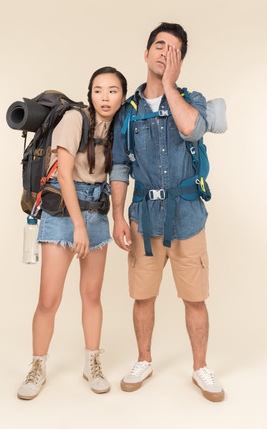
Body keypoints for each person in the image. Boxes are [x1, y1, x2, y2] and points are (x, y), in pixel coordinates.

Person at [110, 23, 226, 402]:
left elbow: (192, 130)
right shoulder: (127, 113)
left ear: (180, 60)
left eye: (173, 49)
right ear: (146, 54)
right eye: (159, 45)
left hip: (188, 218)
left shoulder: (192, 98)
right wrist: (117, 216)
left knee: (195, 298)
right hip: (143, 219)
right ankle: (144, 359)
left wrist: (171, 86)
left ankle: (200, 368)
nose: (164, 52)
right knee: (142, 297)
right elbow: (120, 168)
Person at [17, 66, 127, 400]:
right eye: (98, 90)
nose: (105, 97)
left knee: (92, 295)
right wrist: (78, 226)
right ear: (90, 93)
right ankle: (37, 367)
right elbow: (64, 175)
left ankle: (91, 363)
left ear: (123, 96)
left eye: (112, 91)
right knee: (49, 299)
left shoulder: (117, 129)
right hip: (63, 213)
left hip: (97, 211)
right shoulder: (75, 119)